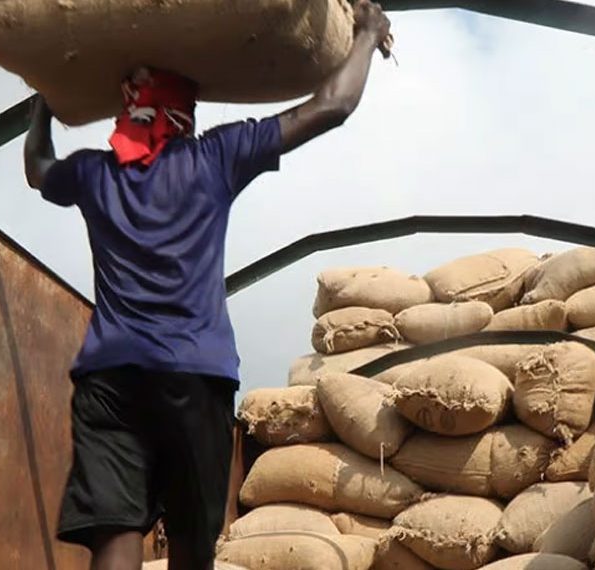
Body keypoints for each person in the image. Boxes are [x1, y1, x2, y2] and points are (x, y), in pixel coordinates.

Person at [23, 2, 392, 568]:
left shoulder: (93, 173)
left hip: (111, 380)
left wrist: (44, 102)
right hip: (195, 377)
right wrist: (367, 33)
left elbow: (37, 167)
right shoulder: (216, 158)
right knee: (193, 547)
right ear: (184, 116)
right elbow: (333, 106)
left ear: (127, 112)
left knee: (116, 537)